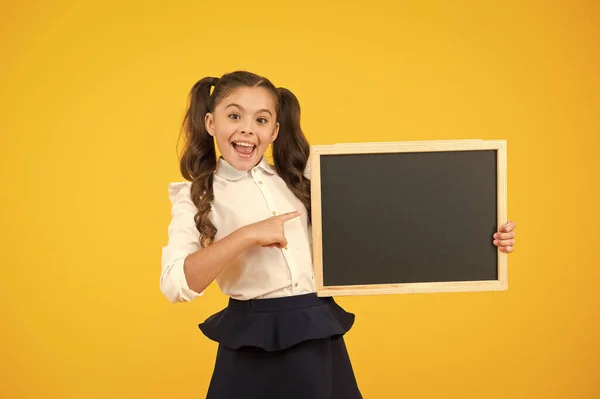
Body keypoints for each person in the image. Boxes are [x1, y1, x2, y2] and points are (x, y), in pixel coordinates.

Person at [160, 71, 517, 399]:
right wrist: (246, 235)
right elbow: (176, 284)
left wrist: (481, 236)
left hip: (316, 333)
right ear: (211, 122)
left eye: (261, 120)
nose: (247, 129)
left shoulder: (305, 177)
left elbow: (399, 214)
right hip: (250, 338)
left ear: (275, 132)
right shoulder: (195, 197)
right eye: (234, 116)